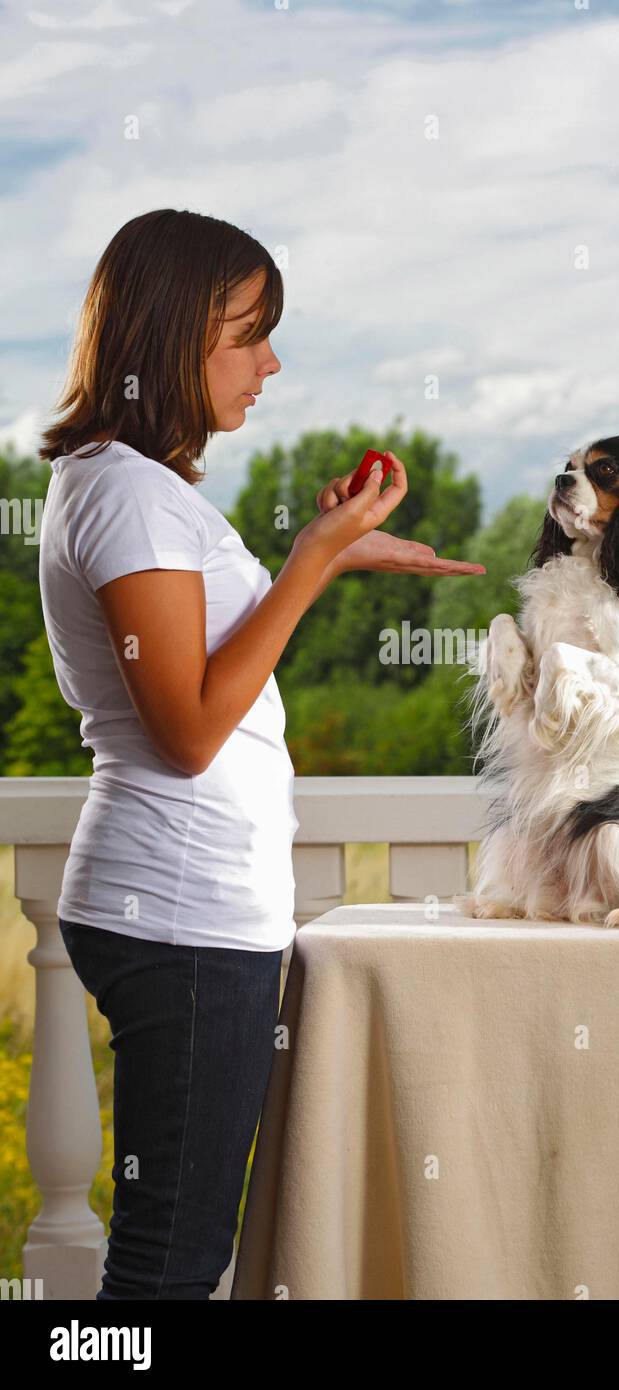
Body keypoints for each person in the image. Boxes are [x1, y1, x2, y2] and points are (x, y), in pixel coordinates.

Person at [37, 207, 486, 1299]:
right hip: (179, 915)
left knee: (173, 1254)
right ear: (169, 335)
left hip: (182, 909)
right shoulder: (129, 496)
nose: (269, 361)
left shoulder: (128, 485)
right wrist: (310, 561)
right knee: (166, 1269)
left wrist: (324, 563)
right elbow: (188, 732)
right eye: (246, 332)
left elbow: (207, 683)